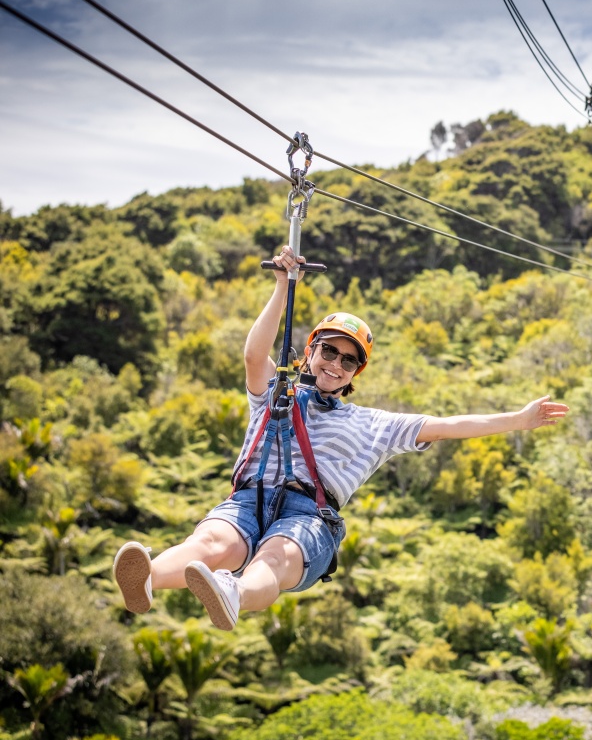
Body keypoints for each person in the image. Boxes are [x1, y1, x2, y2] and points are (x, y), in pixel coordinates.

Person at [112, 246, 568, 630]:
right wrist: (281, 289)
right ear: (310, 350)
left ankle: (234, 593)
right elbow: (254, 354)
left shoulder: (372, 424)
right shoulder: (276, 394)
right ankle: (147, 577)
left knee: (276, 554)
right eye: (328, 350)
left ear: (355, 373)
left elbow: (449, 425)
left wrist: (519, 419)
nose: (335, 363)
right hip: (247, 500)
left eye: (348, 361)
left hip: (309, 514)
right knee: (214, 542)